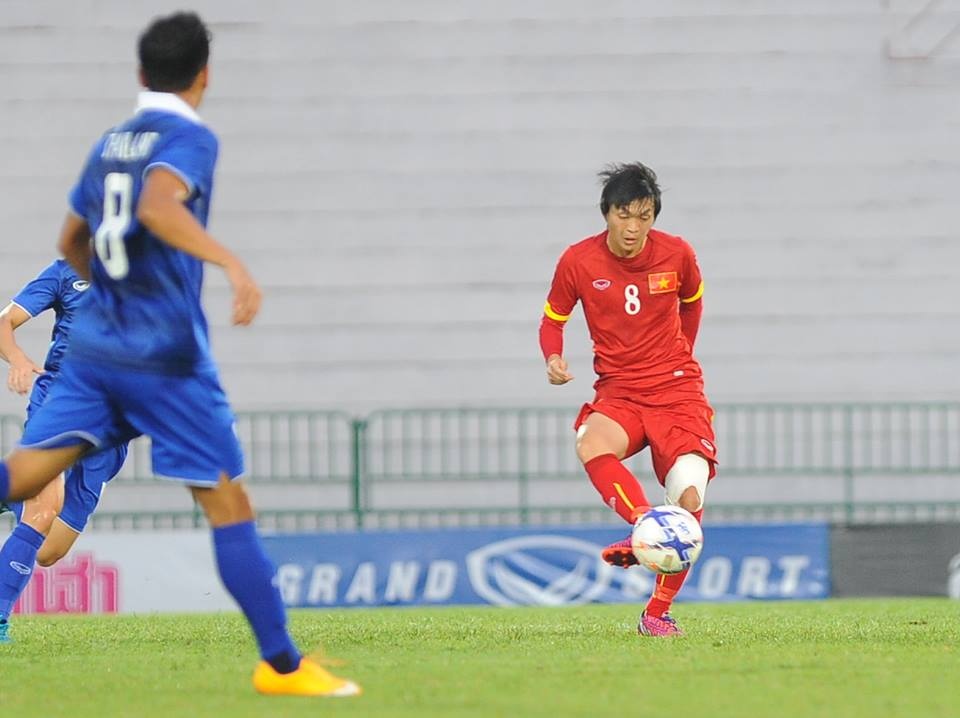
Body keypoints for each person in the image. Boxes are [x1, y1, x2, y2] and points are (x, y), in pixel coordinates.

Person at [0, 12, 360, 697]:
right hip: (162, 354)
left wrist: (108, 291)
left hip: (95, 354)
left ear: (141, 73)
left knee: (23, 479)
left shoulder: (110, 142)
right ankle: (282, 667)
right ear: (205, 76)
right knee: (226, 498)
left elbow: (71, 238)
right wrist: (230, 263)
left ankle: (283, 665)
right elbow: (160, 206)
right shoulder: (189, 137)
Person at [539, 162, 717, 637]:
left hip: (677, 391)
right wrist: (553, 358)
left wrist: (682, 353)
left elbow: (692, 302)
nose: (634, 227)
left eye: (644, 216)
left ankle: (656, 614)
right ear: (607, 213)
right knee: (590, 442)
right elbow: (553, 319)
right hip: (620, 390)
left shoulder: (677, 253)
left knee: (690, 496)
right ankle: (643, 526)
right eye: (624, 215)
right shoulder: (578, 261)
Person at [0, 261, 128, 643]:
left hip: (110, 427)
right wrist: (18, 359)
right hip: (61, 403)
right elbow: (4, 322)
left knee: (49, 551)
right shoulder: (66, 272)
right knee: (43, 509)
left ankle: (13, 486)